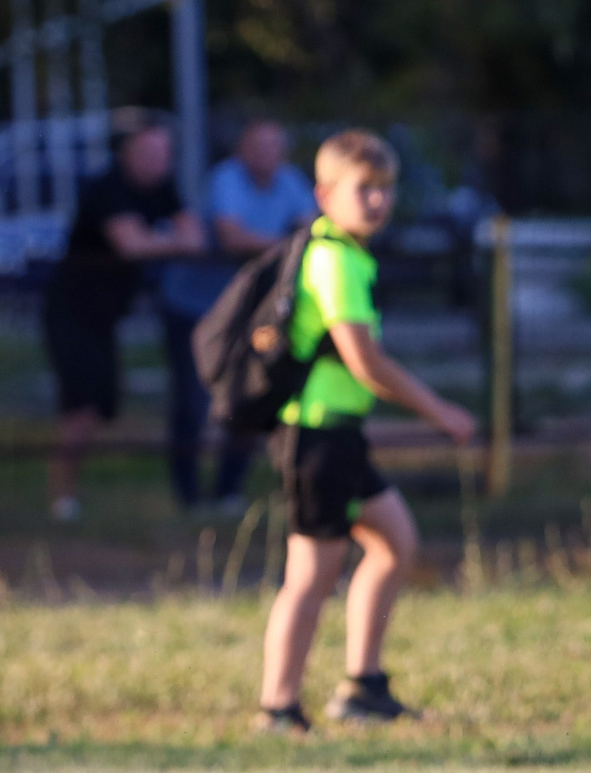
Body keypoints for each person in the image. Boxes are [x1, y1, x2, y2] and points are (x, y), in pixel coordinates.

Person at [256, 130, 476, 733]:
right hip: (316, 437)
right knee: (311, 574)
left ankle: (363, 688)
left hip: (341, 436)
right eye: (363, 189)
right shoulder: (333, 260)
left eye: (385, 189)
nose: (377, 201)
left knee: (393, 542)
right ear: (326, 193)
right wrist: (442, 413)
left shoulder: (348, 253)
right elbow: (366, 363)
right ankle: (277, 708)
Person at [43, 113, 203, 522]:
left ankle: (66, 493)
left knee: (100, 408)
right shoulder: (108, 187)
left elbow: (195, 238)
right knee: (82, 409)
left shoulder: (161, 187)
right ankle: (61, 499)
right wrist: (168, 242)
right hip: (70, 313)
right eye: (148, 152)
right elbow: (132, 246)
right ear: (125, 153)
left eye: (164, 152)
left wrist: (158, 241)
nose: (157, 161)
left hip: (105, 318)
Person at [184, 115, 319, 509]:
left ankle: (228, 489)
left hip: (251, 311)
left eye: (274, 146)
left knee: (252, 387)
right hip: (199, 306)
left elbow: (313, 231)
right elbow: (233, 236)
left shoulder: (290, 180)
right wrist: (288, 249)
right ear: (241, 150)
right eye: (258, 146)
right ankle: (190, 495)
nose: (267, 154)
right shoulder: (226, 179)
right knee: (195, 397)